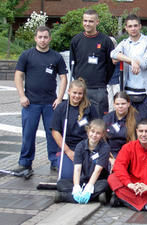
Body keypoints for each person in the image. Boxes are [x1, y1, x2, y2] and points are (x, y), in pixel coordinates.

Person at [14, 26, 67, 171]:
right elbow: (18, 75)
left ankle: (55, 161)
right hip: (30, 103)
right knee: (28, 134)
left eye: (45, 37)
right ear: (35, 38)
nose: (42, 40)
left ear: (49, 38)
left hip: (51, 104)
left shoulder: (56, 57)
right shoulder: (26, 55)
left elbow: (63, 78)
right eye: (40, 37)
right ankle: (25, 162)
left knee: (54, 134)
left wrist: (60, 98)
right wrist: (22, 96)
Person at [108, 119, 147, 212]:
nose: (143, 134)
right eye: (141, 131)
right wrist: (129, 184)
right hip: (133, 185)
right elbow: (119, 166)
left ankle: (123, 199)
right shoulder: (128, 147)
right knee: (112, 178)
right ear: (136, 132)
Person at [70, 9, 115, 118]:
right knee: (81, 121)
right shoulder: (76, 40)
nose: (87, 24)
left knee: (98, 123)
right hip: (81, 90)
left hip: (99, 89)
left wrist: (102, 80)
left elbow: (111, 66)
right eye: (85, 21)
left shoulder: (105, 41)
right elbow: (73, 64)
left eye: (90, 21)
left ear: (97, 22)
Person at [110, 14, 147, 119]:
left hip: (146, 92)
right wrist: (131, 61)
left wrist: (123, 57)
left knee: (145, 125)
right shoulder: (124, 43)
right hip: (128, 93)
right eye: (130, 26)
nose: (133, 29)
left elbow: (146, 63)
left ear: (140, 26)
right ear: (126, 28)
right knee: (130, 125)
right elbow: (113, 54)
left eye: (135, 25)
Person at [51, 78, 98, 178]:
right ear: (68, 91)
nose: (77, 96)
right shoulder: (62, 108)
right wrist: (68, 151)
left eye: (80, 93)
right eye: (74, 93)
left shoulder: (90, 108)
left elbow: (98, 129)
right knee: (67, 176)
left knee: (87, 176)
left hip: (86, 147)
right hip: (68, 147)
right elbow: (55, 132)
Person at [55, 119, 110, 204]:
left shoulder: (105, 147)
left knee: (106, 184)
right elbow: (77, 169)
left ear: (102, 135)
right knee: (61, 183)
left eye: (98, 133)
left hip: (97, 181)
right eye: (92, 131)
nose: (94, 135)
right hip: (83, 180)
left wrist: (90, 186)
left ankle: (65, 197)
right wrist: (76, 186)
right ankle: (96, 197)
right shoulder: (80, 146)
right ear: (88, 131)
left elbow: (97, 170)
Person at [103, 91, 140, 170]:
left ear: (128, 104)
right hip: (110, 154)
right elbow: (103, 141)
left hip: (128, 153)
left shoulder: (136, 118)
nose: (120, 106)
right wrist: (110, 158)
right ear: (114, 104)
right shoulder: (107, 118)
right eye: (117, 104)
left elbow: (137, 142)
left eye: (123, 104)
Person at [107, 37, 120, 112]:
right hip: (108, 81)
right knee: (109, 102)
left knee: (117, 99)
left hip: (116, 81)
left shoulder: (117, 53)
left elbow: (115, 61)